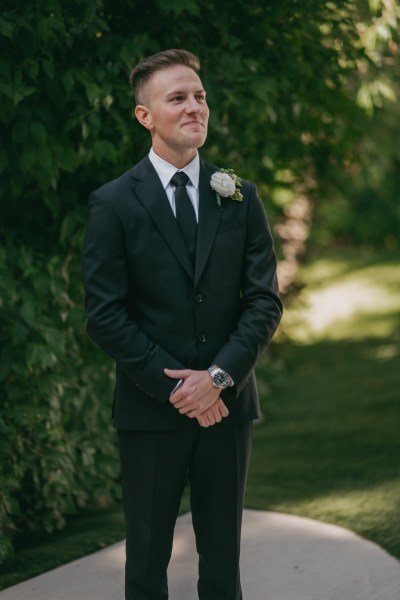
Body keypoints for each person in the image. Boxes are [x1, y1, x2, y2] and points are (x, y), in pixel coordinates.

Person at [83, 48, 282, 600]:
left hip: (227, 406)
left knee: (223, 563)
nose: (195, 106)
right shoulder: (113, 203)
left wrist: (217, 378)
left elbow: (264, 301)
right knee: (146, 563)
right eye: (177, 98)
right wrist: (180, 388)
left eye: (199, 95)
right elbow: (105, 315)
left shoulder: (240, 195)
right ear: (145, 115)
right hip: (151, 411)